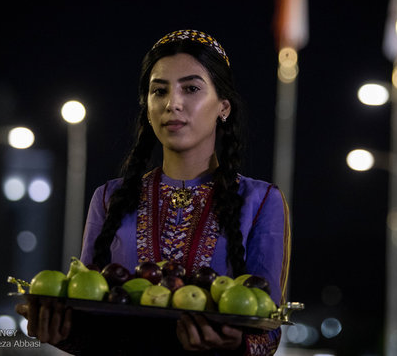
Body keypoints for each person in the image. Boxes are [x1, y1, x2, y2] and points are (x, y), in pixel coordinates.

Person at [17, 29, 291, 355]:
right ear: (147, 106)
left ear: (224, 107)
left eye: (191, 88)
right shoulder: (109, 198)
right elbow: (92, 324)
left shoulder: (261, 202)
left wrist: (236, 344)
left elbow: (268, 333)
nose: (173, 103)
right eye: (159, 91)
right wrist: (62, 333)